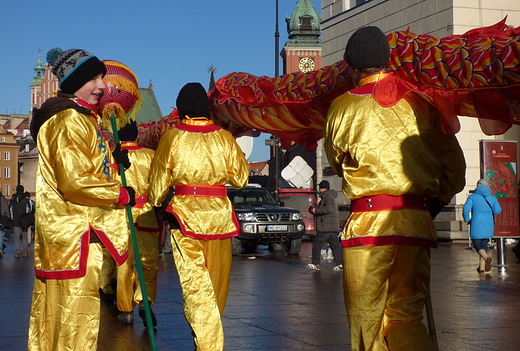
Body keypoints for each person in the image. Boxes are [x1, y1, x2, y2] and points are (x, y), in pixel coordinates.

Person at [323, 26, 466, 351]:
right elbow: (455, 169)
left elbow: (336, 163)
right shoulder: (422, 102)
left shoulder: (342, 107)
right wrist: (432, 203)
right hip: (415, 222)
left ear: (350, 66)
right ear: (387, 61)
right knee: (406, 319)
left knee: (367, 327)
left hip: (369, 226)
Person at [28, 48, 135, 351]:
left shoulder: (77, 118)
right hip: (78, 236)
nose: (102, 86)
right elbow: (76, 183)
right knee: (76, 325)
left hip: (67, 237)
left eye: (102, 77)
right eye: (93, 78)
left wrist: (112, 160)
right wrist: (121, 194)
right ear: (74, 82)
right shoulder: (69, 120)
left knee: (53, 322)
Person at [148, 82, 249, 351]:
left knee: (196, 287)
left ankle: (206, 343)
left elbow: (157, 186)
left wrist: (157, 204)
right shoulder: (224, 138)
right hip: (220, 219)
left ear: (181, 110)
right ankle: (206, 337)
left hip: (185, 218)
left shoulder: (172, 137)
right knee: (216, 286)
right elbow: (241, 178)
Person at [111, 121, 161, 327]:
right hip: (147, 214)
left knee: (123, 263)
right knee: (148, 262)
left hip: (122, 215)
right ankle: (145, 301)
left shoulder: (114, 158)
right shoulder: (150, 155)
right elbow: (158, 184)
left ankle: (126, 309)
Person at [463, 179, 502, 273]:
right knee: (484, 245)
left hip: (476, 223)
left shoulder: (473, 197)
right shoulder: (492, 198)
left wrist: (467, 219)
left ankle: (486, 257)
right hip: (488, 224)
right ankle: (482, 267)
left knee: (477, 244)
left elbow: (465, 209)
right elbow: (498, 211)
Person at [307, 180, 343, 271]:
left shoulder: (328, 198)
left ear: (322, 188)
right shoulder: (328, 197)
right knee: (335, 246)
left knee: (317, 242)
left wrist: (316, 210)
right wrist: (313, 210)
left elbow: (328, 209)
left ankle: (315, 263)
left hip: (326, 226)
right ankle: (340, 264)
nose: (319, 189)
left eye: (320, 187)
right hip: (330, 226)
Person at [10, 185, 31, 258]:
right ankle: (24, 251)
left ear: (16, 190)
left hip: (15, 220)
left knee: (17, 237)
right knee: (24, 236)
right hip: (24, 220)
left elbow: (11, 210)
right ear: (23, 190)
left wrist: (12, 218)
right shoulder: (26, 199)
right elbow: (29, 209)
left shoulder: (13, 198)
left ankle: (17, 252)